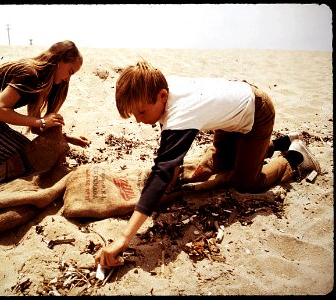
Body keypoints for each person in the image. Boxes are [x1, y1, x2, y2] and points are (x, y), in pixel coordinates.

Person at [94, 60, 321, 268]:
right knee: (222, 164)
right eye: (134, 114)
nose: (139, 119)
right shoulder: (156, 85)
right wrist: (172, 177)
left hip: (257, 113)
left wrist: (125, 237)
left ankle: (294, 156)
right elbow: (170, 161)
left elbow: (163, 171)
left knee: (245, 183)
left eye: (142, 111)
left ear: (162, 96)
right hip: (230, 116)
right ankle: (279, 142)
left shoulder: (180, 113)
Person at [0, 40, 90, 193]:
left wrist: (65, 138)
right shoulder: (30, 73)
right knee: (27, 164)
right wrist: (40, 121)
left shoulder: (43, 81)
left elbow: (35, 128)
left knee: (33, 154)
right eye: (70, 72)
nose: (68, 79)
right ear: (59, 60)